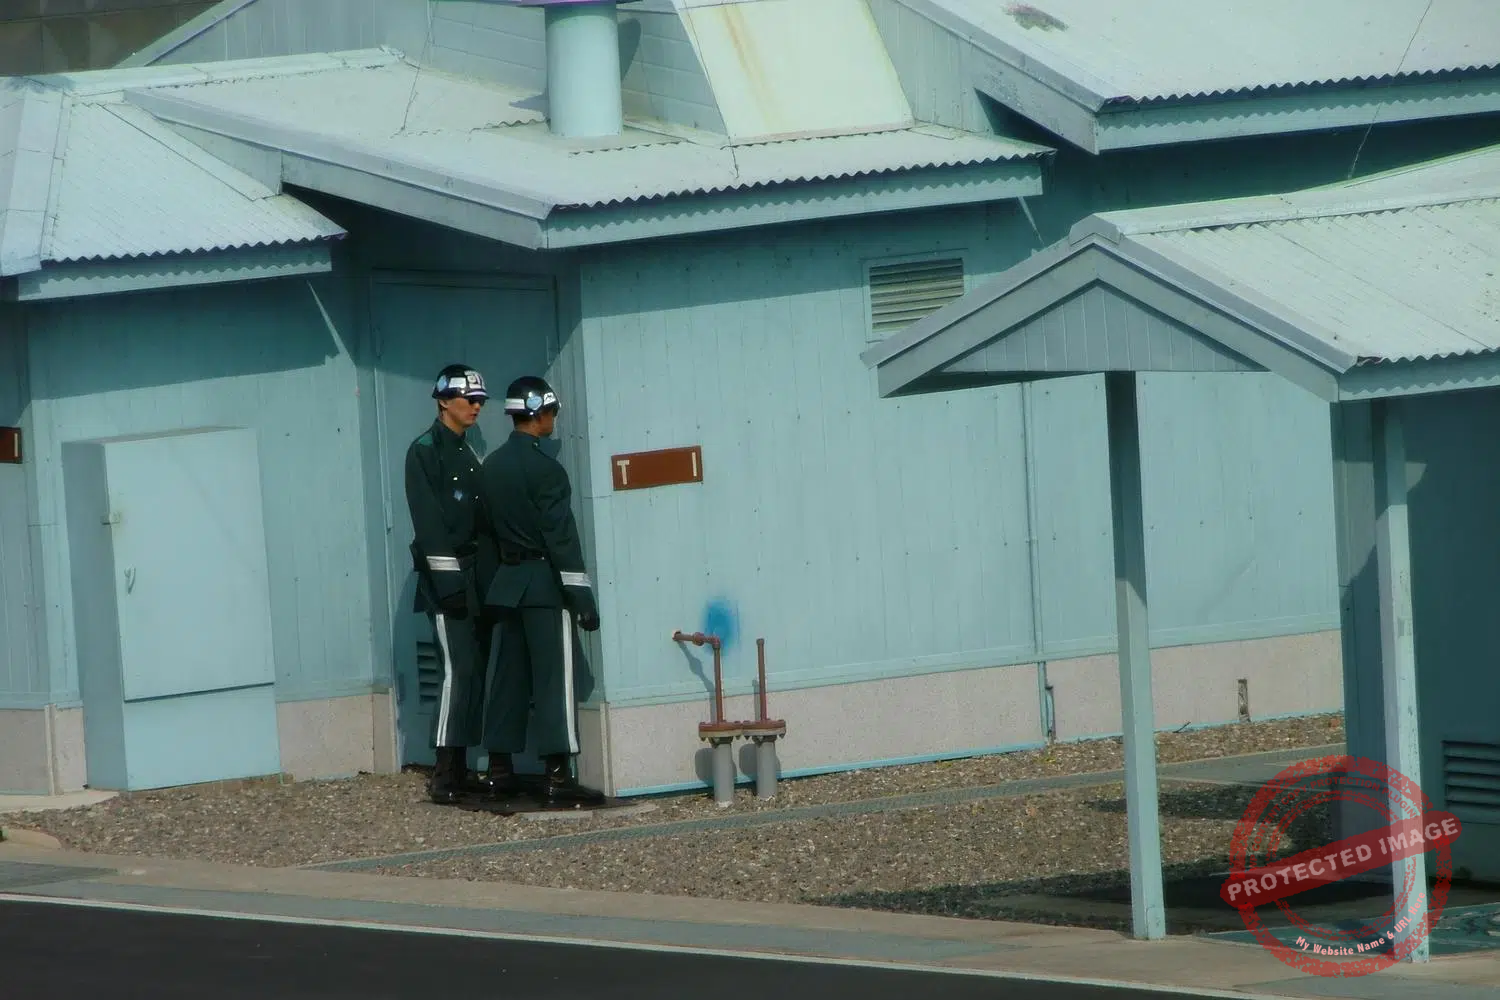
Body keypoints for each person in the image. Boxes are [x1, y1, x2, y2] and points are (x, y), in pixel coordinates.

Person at [479, 375, 605, 808]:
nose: (554, 419)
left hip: (507, 586)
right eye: (551, 411)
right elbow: (561, 539)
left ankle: (499, 770)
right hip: (543, 586)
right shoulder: (547, 471)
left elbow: (487, 537)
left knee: (508, 679)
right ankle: (557, 775)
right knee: (554, 680)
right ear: (539, 413)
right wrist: (582, 598)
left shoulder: (492, 467)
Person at [404, 363, 498, 805]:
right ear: (444, 401)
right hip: (448, 579)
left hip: (478, 576)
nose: (476, 407)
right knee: (456, 671)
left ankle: (462, 766)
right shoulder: (424, 451)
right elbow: (429, 524)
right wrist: (449, 584)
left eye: (480, 400)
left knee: (474, 671)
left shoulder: (470, 450)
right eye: (468, 399)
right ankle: (443, 771)